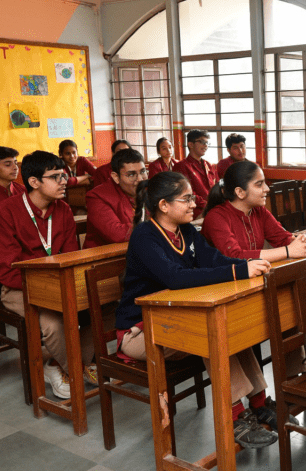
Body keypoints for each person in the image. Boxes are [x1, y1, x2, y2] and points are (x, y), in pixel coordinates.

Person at [115, 171, 281, 449]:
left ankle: (259, 403)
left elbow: (213, 259)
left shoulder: (186, 230)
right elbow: (175, 277)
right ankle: (234, 418)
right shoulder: (145, 236)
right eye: (187, 199)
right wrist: (238, 270)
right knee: (210, 333)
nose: (195, 204)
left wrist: (246, 266)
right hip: (141, 331)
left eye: (193, 198)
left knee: (229, 324)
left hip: (173, 319)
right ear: (163, 205)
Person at [0, 150, 96, 400]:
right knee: (54, 323)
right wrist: (47, 286)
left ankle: (58, 365)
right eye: (56, 176)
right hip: (19, 288)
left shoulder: (63, 209)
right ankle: (75, 368)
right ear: (34, 182)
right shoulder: (6, 211)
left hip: (59, 283)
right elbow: (7, 268)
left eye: (64, 175)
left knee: (99, 307)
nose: (64, 181)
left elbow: (71, 256)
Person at [202, 160, 306, 262]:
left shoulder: (259, 211)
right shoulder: (216, 217)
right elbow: (234, 256)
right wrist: (288, 251)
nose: (267, 188)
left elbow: (282, 238)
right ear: (240, 192)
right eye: (259, 184)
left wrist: (302, 243)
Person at [84, 148, 147, 248]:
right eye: (131, 174)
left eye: (143, 172)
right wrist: (157, 227)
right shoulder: (97, 196)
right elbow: (117, 234)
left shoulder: (149, 190)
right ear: (116, 177)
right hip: (106, 259)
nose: (140, 179)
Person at [172, 130, 218, 218]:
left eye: (207, 143)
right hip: (195, 211)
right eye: (202, 142)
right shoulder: (181, 166)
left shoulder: (208, 165)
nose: (205, 145)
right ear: (190, 144)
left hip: (213, 208)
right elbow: (186, 192)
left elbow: (217, 186)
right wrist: (207, 205)